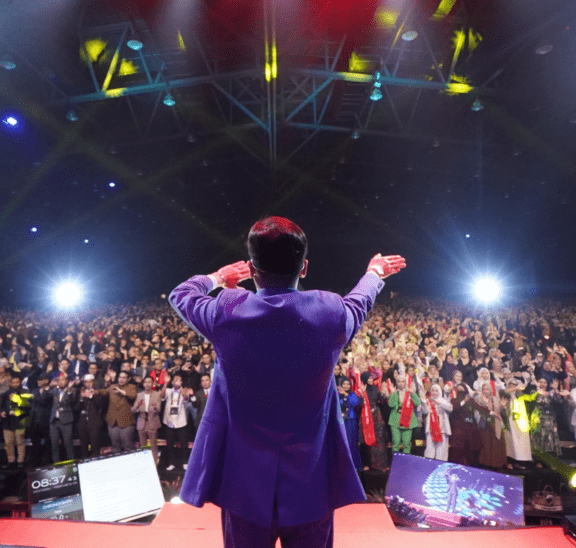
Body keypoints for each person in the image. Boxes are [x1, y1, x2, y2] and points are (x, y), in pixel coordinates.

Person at [168, 216, 405, 548]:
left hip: (243, 486)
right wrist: (374, 274)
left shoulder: (228, 311)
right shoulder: (329, 311)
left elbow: (181, 294)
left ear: (251, 269)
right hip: (311, 483)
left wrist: (218, 278)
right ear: (304, 267)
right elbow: (359, 302)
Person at [96, 370, 137, 453]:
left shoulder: (132, 387)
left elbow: (133, 396)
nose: (121, 379)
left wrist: (121, 391)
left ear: (128, 379)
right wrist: (94, 391)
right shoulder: (112, 386)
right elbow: (103, 391)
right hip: (113, 422)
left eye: (124, 378)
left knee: (128, 446)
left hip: (126, 422)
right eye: (120, 377)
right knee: (115, 446)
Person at [161, 373, 191, 471]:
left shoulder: (183, 391)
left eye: (179, 380)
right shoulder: (169, 390)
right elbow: (161, 396)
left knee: (184, 444)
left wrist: (180, 386)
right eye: (175, 379)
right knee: (170, 444)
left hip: (181, 422)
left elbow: (186, 398)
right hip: (169, 421)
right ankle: (171, 463)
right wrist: (166, 383)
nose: (177, 381)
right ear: (172, 381)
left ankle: (185, 462)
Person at [1, 375, 33, 467]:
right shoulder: (6, 392)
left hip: (20, 420)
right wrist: (2, 411)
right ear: (10, 383)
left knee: (20, 441)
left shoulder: (25, 392)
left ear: (20, 382)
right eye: (13, 382)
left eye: (17, 382)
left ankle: (20, 460)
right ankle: (11, 460)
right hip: (7, 421)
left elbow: (28, 406)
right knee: (8, 442)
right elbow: (2, 405)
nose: (15, 384)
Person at [131, 375, 162, 464]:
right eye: (145, 382)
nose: (147, 384)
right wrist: (136, 406)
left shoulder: (157, 394)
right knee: (142, 445)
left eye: (149, 382)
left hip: (152, 422)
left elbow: (159, 409)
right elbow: (133, 410)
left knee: (153, 445)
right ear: (143, 384)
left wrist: (156, 408)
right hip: (141, 422)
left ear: (152, 383)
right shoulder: (139, 395)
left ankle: (154, 463)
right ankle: (144, 463)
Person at [388, 375, 420, 454]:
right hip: (395, 420)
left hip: (407, 420)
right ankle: (396, 462)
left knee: (406, 444)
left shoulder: (410, 392)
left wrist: (413, 394)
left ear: (406, 383)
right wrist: (392, 394)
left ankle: (406, 463)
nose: (401, 383)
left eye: (403, 381)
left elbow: (417, 403)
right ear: (396, 383)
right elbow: (391, 405)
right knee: (396, 442)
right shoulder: (395, 392)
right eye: (399, 381)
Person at [48, 374, 77, 463]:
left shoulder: (72, 390)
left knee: (68, 443)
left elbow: (72, 399)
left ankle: (71, 462)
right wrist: (50, 385)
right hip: (54, 421)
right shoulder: (54, 390)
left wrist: (68, 390)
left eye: (63, 380)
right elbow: (45, 396)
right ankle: (56, 462)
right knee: (54, 444)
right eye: (59, 380)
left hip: (66, 421)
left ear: (67, 382)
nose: (60, 382)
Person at [420, 384, 453, 461]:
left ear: (440, 392)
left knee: (442, 451)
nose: (434, 392)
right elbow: (424, 411)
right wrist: (423, 402)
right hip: (431, 429)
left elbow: (450, 408)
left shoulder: (443, 400)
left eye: (436, 390)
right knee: (429, 450)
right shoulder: (428, 400)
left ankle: (441, 467)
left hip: (442, 429)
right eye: (433, 390)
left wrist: (438, 403)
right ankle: (428, 467)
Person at [77, 374, 105, 459]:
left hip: (94, 423)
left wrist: (92, 396)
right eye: (86, 382)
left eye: (90, 382)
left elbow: (100, 405)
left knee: (95, 446)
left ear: (93, 382)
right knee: (83, 447)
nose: (88, 384)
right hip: (82, 424)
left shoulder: (98, 392)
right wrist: (81, 399)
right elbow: (76, 408)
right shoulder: (81, 392)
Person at [337, 377, 362, 472]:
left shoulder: (352, 394)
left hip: (351, 421)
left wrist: (346, 395)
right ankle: (343, 466)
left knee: (352, 443)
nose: (346, 386)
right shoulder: (337, 395)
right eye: (344, 384)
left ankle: (355, 465)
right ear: (341, 385)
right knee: (342, 443)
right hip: (341, 421)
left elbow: (355, 403)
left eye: (348, 384)